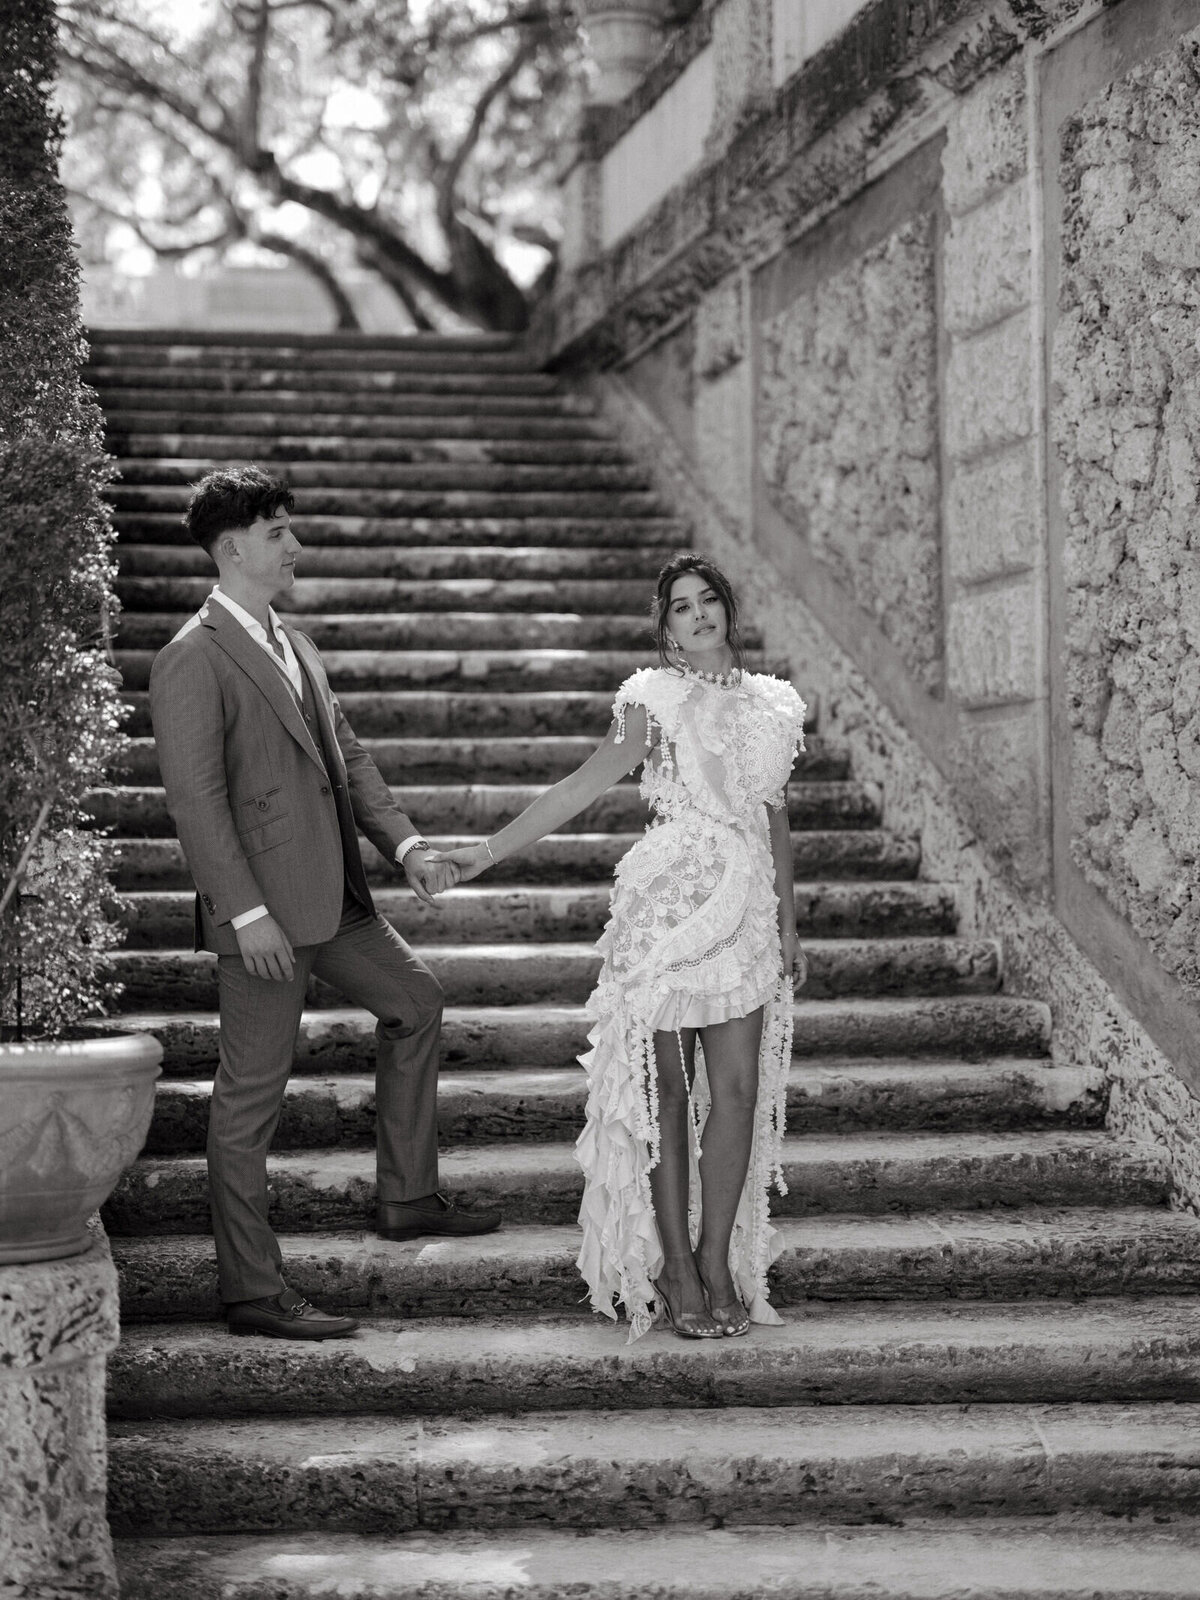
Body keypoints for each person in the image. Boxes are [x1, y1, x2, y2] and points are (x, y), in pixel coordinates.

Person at [148, 465, 500, 1343]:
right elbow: (198, 802)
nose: (295, 546)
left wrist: (409, 846)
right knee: (248, 1102)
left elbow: (351, 756)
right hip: (263, 918)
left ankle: (407, 1197)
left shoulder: (294, 642)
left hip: (338, 897)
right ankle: (253, 1292)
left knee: (416, 1002)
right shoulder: (190, 656)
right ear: (233, 549)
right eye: (278, 533)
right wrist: (244, 913)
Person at [430, 554, 807, 1340]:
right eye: (680, 607)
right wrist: (484, 854)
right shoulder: (652, 699)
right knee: (666, 1096)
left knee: (734, 1094)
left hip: (745, 913)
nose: (698, 614)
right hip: (667, 912)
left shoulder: (777, 705)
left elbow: (773, 816)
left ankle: (713, 1262)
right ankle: (673, 1267)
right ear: (665, 627)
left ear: (729, 610)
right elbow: (584, 782)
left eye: (709, 600)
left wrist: (789, 922)